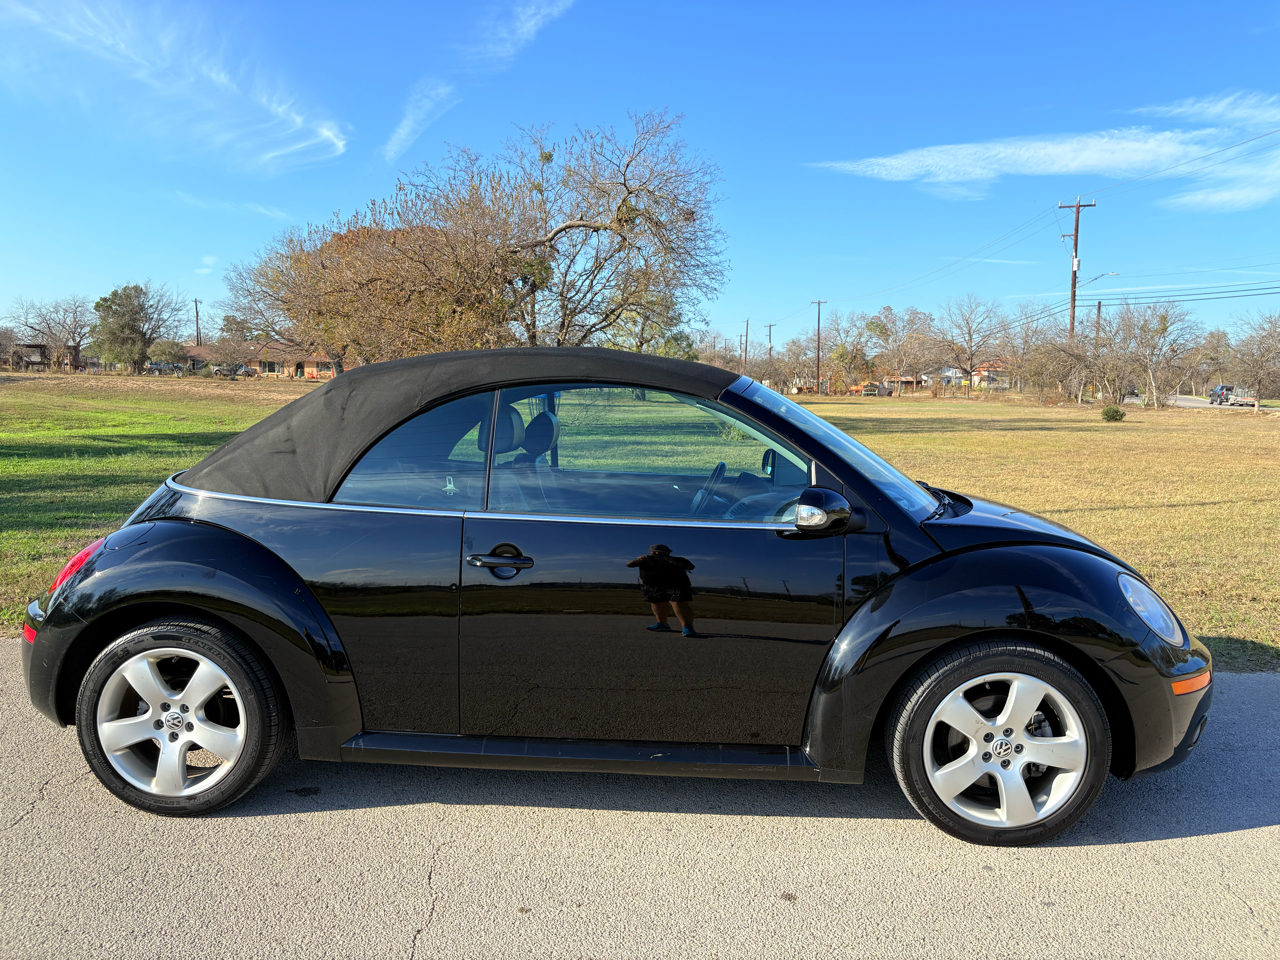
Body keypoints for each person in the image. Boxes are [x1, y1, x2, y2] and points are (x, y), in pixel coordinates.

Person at [627, 544, 698, 637]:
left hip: (676, 585)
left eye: (661, 553)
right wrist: (637, 559)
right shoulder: (645, 560)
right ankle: (662, 624)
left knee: (678, 604)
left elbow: (690, 567)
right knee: (657, 603)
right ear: (650, 552)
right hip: (653, 586)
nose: (657, 554)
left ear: (668, 552)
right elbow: (629, 565)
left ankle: (687, 627)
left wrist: (671, 560)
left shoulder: (678, 560)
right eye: (654, 552)